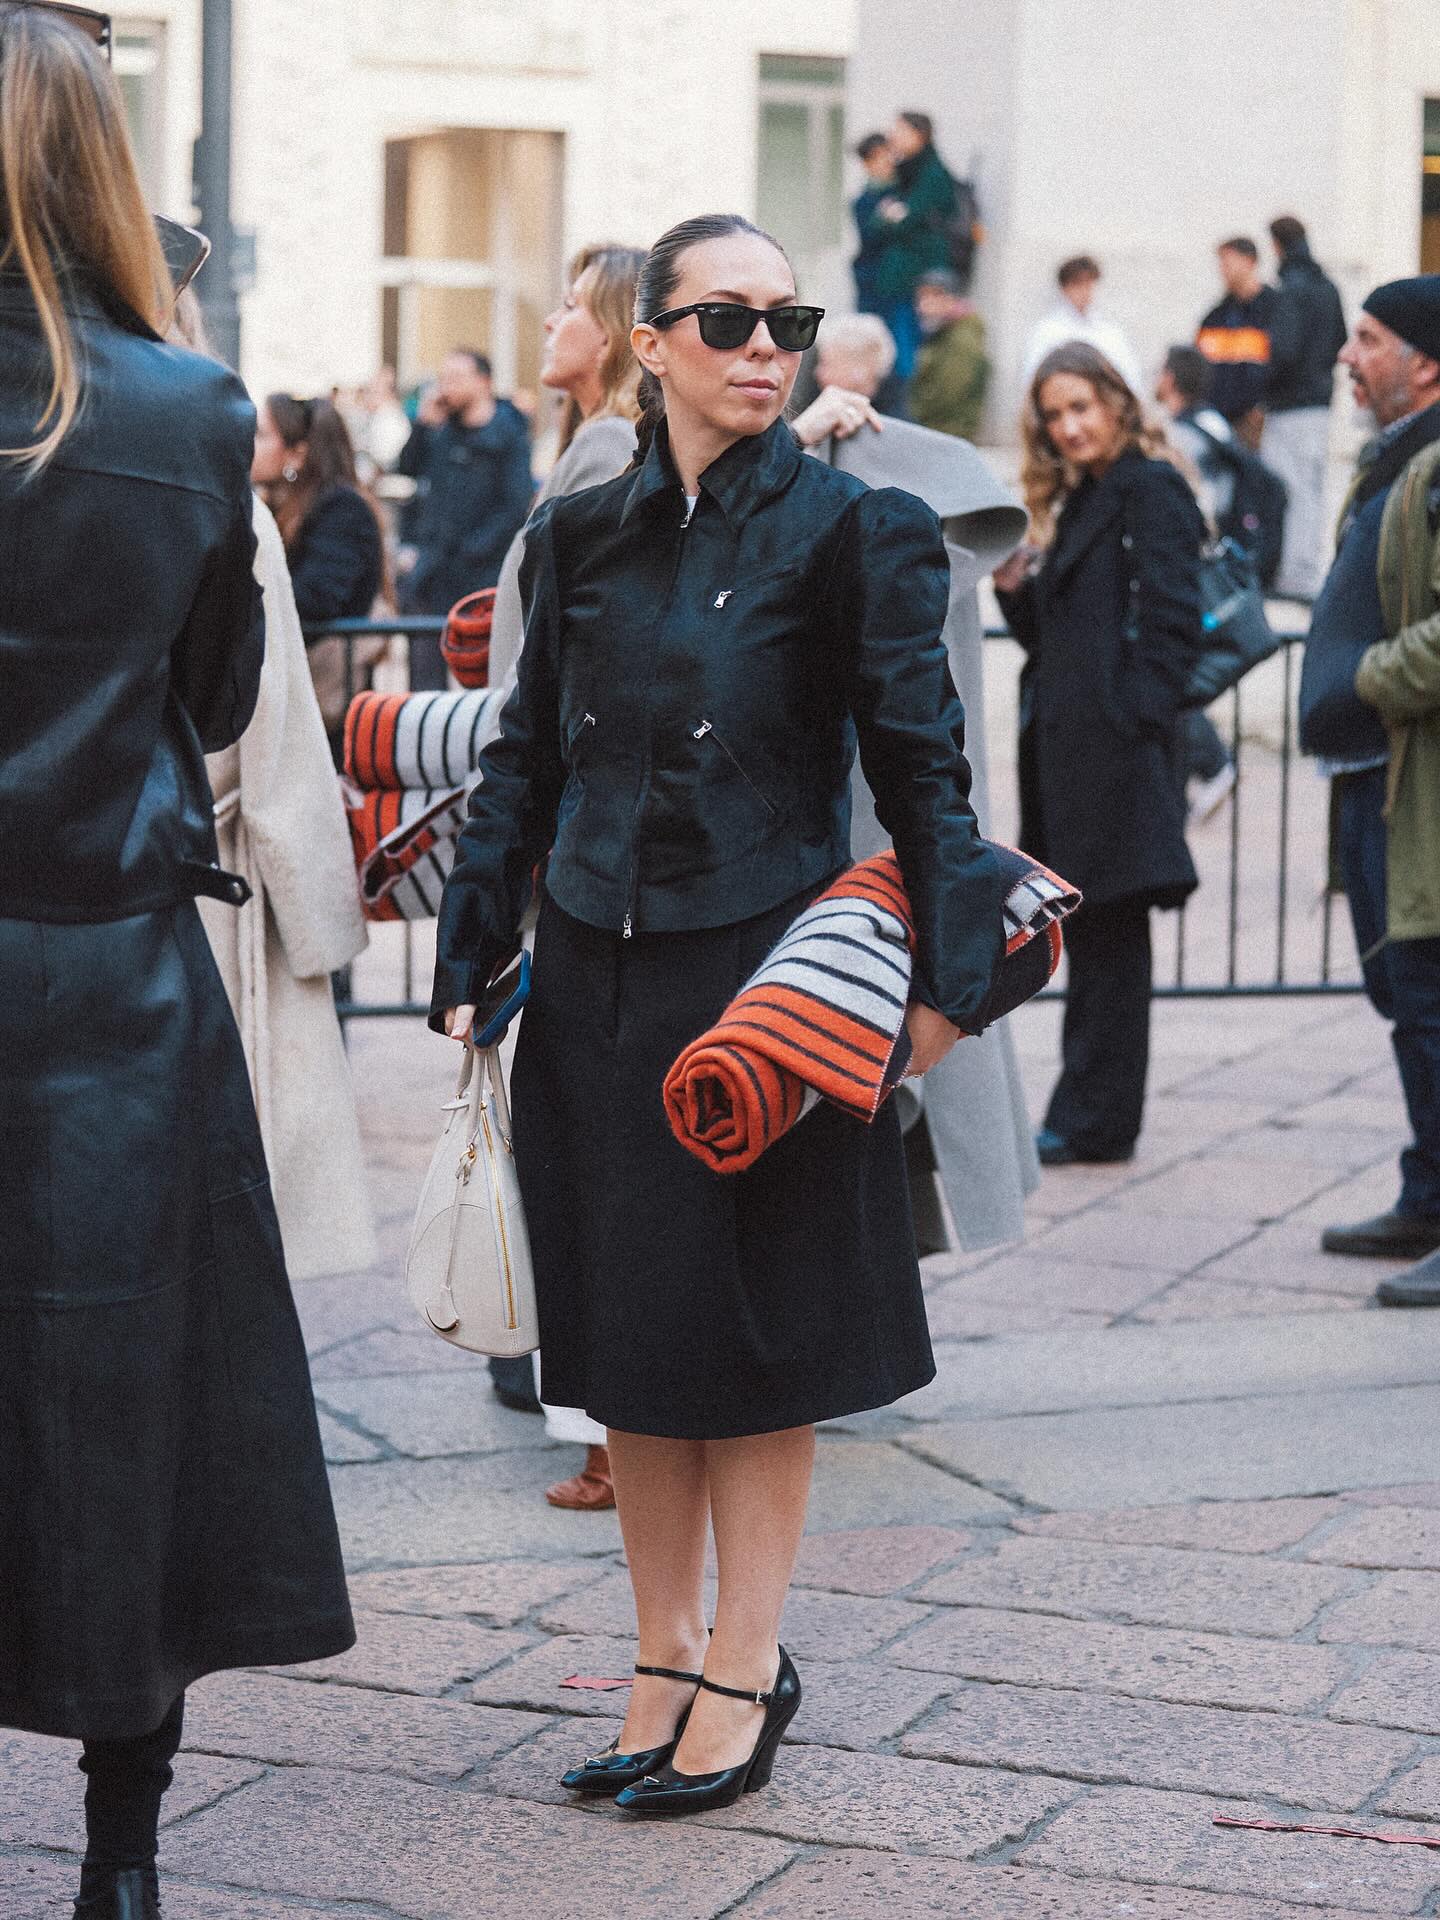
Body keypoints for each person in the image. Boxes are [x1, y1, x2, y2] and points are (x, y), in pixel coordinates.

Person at [433, 212, 1004, 1815]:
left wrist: (944, 1001)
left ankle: (745, 1669)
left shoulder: (857, 531)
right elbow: (525, 760)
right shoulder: (580, 537)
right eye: (731, 320)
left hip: (763, 990)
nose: (768, 348)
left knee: (757, 1342)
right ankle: (659, 1657)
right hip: (594, 979)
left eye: (789, 321)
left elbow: (924, 777)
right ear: (654, 344)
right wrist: (477, 953)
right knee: (625, 1342)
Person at [0, 9, 355, 1917]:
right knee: (120, 1400)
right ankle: (119, 1859)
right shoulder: (185, 412)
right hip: (102, 983)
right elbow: (221, 699)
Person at [482, 241, 648, 1507]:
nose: (549, 317)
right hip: (566, 807)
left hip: (569, 818)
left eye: (573, 303)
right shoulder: (587, 446)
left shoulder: (604, 453)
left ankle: (601, 1419)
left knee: (578, 1105)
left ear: (616, 327)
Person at [995, 342, 1204, 1166]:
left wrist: (1136, 717)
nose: (1070, 426)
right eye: (1054, 415)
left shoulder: (1149, 486)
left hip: (1112, 754)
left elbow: (1173, 621)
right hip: (1068, 754)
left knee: (1112, 945)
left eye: (1082, 406)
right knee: (1092, 940)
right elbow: (1057, 640)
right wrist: (1016, 591)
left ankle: (1097, 1120)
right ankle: (1088, 1111)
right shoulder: (1083, 497)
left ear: (1118, 402)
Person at [1298, 276, 1440, 1302]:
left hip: (1417, 778)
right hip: (1371, 776)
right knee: (1403, 994)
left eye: (1371, 337)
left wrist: (1368, 682)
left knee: (1431, 997)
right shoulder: (1398, 458)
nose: (1348, 355)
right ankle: (1428, 1194)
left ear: (1426, 362)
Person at [251, 393, 388, 750]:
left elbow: (314, 598)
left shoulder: (341, 508)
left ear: (297, 453)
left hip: (328, 697)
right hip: (302, 688)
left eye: (261, 434)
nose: (249, 445)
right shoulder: (277, 507)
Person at [397, 347, 534, 687]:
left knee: (483, 682)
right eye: (443, 378)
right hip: (432, 574)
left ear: (483, 382)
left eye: (456, 378)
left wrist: (474, 549)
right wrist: (422, 426)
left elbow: (514, 505)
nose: (447, 387)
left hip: (480, 576)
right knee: (424, 681)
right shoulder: (441, 429)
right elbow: (406, 470)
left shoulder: (509, 434)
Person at [1154, 345, 1241, 824]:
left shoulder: (1183, 434)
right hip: (1208, 563)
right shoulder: (1217, 426)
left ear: (1171, 378)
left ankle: (1210, 764)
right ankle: (1203, 770)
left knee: (1173, 674)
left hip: (1188, 566)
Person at [1261, 215, 1348, 600]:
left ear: (1277, 245)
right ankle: (1305, 570)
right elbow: (1340, 341)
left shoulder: (1290, 290)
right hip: (1318, 402)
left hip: (1290, 405)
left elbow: (1283, 350)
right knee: (1310, 488)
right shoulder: (1328, 288)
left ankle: (1293, 575)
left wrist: (1264, 386)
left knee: (1288, 489)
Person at [863, 110, 959, 381]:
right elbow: (878, 221)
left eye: (902, 130)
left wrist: (892, 217)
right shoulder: (904, 171)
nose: (894, 137)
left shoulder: (931, 174)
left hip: (917, 280)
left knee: (907, 355)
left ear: (920, 135)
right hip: (898, 281)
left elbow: (905, 220)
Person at [1196, 236, 1279, 449]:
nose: (1223, 269)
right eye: (1221, 263)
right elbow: (1199, 369)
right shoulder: (1215, 317)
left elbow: (1284, 363)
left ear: (1250, 262)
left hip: (1258, 423)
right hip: (1217, 423)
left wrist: (1264, 405)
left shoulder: (1273, 310)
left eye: (1228, 261)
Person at [1022, 255, 1143, 397]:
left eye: (1089, 283)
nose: (1084, 291)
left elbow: (1129, 376)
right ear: (1065, 288)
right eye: (1078, 284)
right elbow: (1032, 379)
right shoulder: (1047, 332)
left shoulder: (1109, 332)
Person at [910, 267, 990, 442]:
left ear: (953, 299)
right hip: (937, 433)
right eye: (922, 297)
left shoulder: (962, 339)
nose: (924, 305)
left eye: (935, 295)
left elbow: (947, 397)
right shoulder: (941, 333)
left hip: (947, 434)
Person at [850, 131, 894, 316]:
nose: (888, 162)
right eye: (880, 158)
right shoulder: (864, 202)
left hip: (900, 282)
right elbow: (869, 237)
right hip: (872, 280)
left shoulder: (906, 193)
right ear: (867, 164)